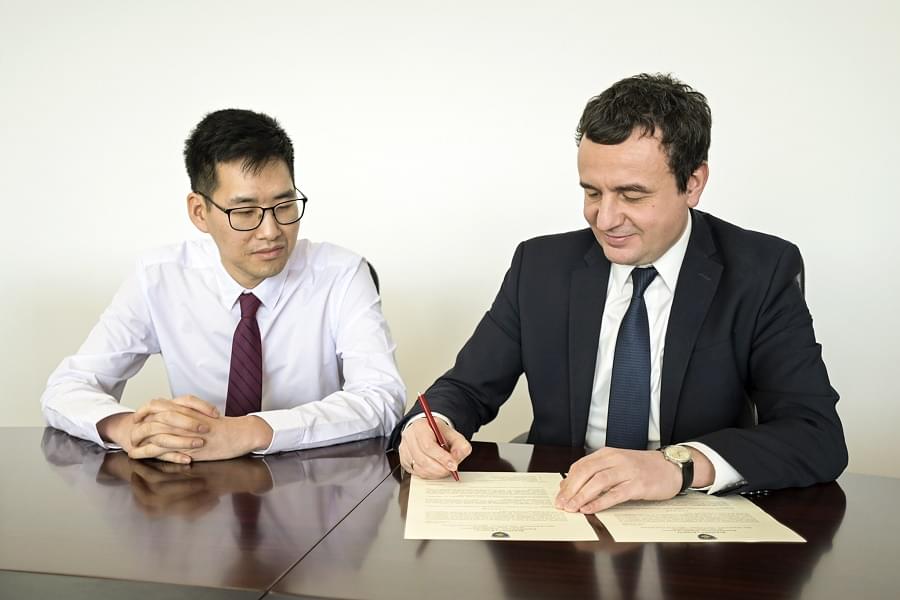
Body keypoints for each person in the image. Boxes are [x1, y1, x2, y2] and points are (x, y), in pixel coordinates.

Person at [394, 73, 847, 513]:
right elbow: (466, 388)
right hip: (563, 510)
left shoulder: (761, 270)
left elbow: (816, 434)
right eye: (592, 192)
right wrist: (429, 427)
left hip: (692, 518)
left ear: (693, 183)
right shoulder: (541, 266)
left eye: (631, 195)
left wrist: (678, 465)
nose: (605, 219)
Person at [42, 109, 405, 463]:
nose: (271, 231)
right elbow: (66, 387)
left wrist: (248, 432)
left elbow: (382, 398)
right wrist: (129, 428)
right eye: (245, 212)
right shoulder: (159, 277)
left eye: (284, 205)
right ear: (199, 212)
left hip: (314, 480)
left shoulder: (342, 274)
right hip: (194, 484)